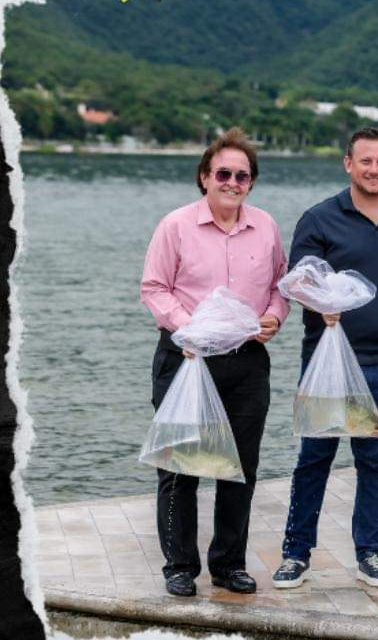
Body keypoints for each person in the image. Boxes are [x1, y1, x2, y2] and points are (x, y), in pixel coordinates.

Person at [271, 128, 378, 590]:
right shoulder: (320, 218)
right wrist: (322, 300)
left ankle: (371, 552)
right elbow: (296, 281)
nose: (374, 169)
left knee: (375, 460)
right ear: (348, 164)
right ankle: (295, 553)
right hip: (327, 359)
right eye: (366, 161)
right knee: (314, 456)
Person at [141, 128, 289, 597]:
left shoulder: (265, 226)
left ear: (252, 182)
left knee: (239, 467)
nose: (232, 182)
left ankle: (228, 565)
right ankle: (179, 567)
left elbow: (280, 287)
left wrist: (274, 317)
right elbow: (154, 288)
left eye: (242, 176)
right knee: (179, 467)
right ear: (204, 177)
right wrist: (187, 329)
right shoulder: (175, 226)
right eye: (222, 173)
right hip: (184, 360)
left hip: (246, 363)